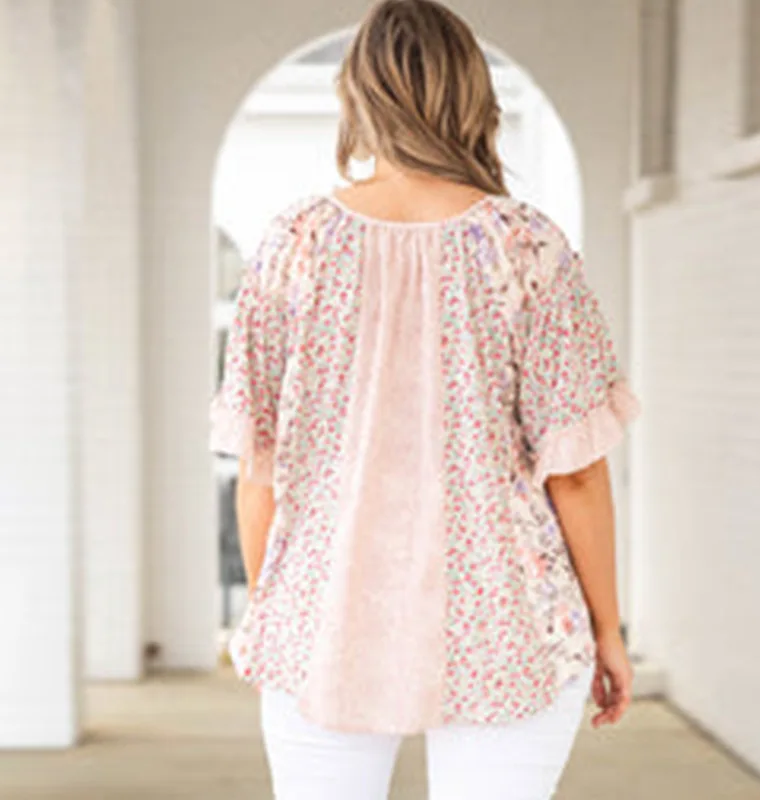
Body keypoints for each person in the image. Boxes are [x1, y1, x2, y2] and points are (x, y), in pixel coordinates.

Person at [210, 1, 641, 797]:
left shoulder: (293, 245)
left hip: (323, 616)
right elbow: (577, 473)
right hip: (509, 625)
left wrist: (281, 610)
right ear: (473, 94)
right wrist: (607, 628)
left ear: (356, 96)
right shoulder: (527, 246)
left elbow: (259, 466)